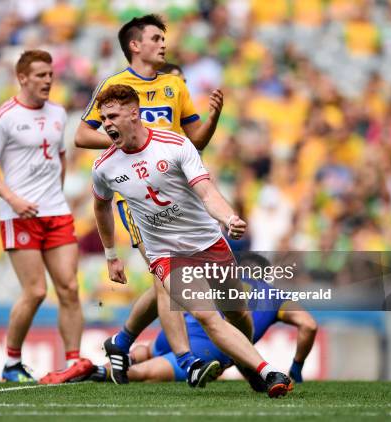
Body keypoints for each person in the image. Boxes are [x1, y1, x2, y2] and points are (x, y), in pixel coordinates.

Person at [91, 84, 292, 398]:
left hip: (208, 243)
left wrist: (228, 218)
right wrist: (110, 254)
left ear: (134, 113)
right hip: (165, 254)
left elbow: (208, 192)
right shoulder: (104, 166)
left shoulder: (174, 144)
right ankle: (267, 372)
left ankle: (249, 366)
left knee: (238, 314)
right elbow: (101, 206)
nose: (106, 124)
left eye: (113, 116)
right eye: (103, 118)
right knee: (206, 315)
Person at [75, 14, 230, 386]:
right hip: (139, 200)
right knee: (168, 279)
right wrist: (122, 142)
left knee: (168, 279)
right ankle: (187, 361)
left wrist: (213, 118)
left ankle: (122, 340)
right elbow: (82, 135)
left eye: (164, 37)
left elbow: (196, 140)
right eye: (157, 37)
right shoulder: (114, 86)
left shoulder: (175, 85)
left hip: (180, 194)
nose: (164, 43)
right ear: (135, 44)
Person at [0, 50, 92, 384]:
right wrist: (12, 198)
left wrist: (55, 194)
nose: (48, 80)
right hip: (19, 216)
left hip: (56, 213)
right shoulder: (3, 117)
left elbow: (60, 158)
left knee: (69, 287)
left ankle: (73, 362)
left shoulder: (58, 113)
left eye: (50, 74)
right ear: (22, 78)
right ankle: (12, 362)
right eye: (40, 75)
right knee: (36, 291)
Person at [117, 272, 318, 388]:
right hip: (205, 352)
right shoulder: (275, 297)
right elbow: (309, 326)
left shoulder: (221, 277)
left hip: (178, 330)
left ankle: (104, 367)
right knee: (143, 372)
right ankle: (102, 373)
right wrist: (296, 370)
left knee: (144, 352)